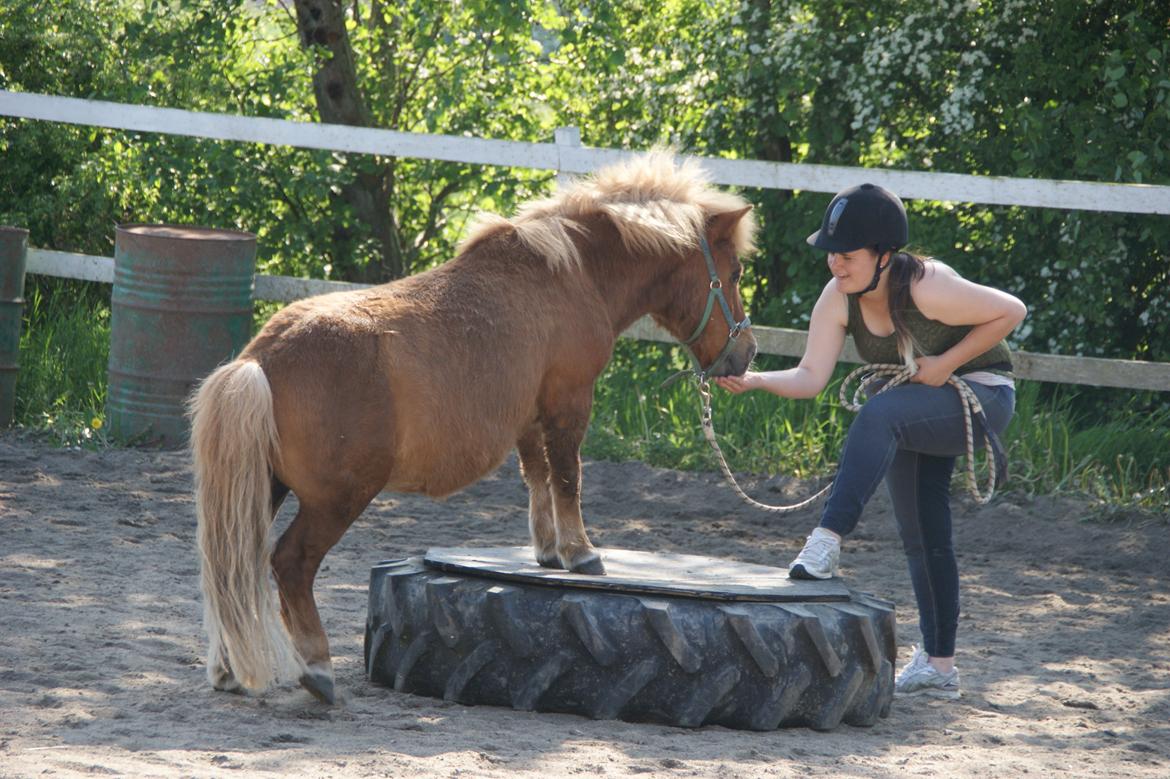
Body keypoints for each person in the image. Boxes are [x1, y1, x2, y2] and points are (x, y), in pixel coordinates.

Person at [714, 183, 1026, 700]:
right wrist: (757, 380)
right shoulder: (838, 298)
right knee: (921, 531)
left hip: (984, 395)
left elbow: (1011, 309)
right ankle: (940, 666)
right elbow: (812, 376)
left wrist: (946, 363)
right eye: (832, 252)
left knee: (880, 412)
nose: (836, 263)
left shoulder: (927, 285)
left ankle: (826, 541)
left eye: (848, 254)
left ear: (884, 256)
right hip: (915, 405)